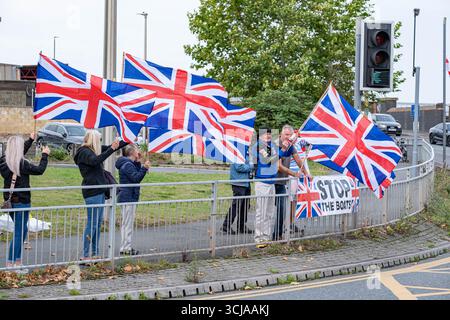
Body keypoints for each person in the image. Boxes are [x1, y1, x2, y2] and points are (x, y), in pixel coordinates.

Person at [74, 130, 127, 261]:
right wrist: (111, 149)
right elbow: (95, 161)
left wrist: (127, 139)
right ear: (93, 139)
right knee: (92, 224)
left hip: (99, 191)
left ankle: (95, 252)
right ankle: (85, 255)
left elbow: (111, 148)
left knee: (97, 224)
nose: (101, 142)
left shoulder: (94, 150)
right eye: (99, 139)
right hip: (92, 192)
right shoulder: (84, 152)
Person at [0, 133, 49, 272]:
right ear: (19, 149)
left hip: (10, 202)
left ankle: (16, 261)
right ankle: (12, 263)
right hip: (22, 201)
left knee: (22, 230)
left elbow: (18, 153)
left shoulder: (4, 162)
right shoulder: (22, 164)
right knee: (19, 232)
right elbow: (40, 170)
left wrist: (31, 140)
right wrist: (45, 155)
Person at [273, 125, 310, 241]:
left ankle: (277, 234)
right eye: (285, 135)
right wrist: (294, 174)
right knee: (268, 209)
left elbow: (299, 160)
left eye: (289, 135)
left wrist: (306, 173)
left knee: (281, 207)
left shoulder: (291, 146)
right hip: (270, 181)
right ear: (280, 134)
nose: (287, 137)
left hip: (282, 182)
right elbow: (278, 166)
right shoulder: (275, 144)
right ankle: (263, 236)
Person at [115, 144, 150, 256]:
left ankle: (125, 246)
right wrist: (144, 168)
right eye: (136, 150)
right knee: (127, 224)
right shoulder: (127, 165)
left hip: (128, 196)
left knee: (127, 223)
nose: (138, 151)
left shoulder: (129, 164)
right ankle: (126, 247)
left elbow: (136, 172)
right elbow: (136, 178)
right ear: (132, 152)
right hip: (127, 197)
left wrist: (139, 161)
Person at [250, 127, 279, 249]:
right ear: (260, 136)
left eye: (269, 135)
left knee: (269, 212)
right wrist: (280, 154)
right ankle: (259, 238)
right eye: (265, 135)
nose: (268, 137)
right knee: (261, 212)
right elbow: (268, 160)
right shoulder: (259, 146)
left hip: (272, 182)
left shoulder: (272, 145)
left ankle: (266, 237)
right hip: (262, 182)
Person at [221, 160, 254, 235]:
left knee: (245, 206)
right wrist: (252, 166)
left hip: (246, 183)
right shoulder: (237, 153)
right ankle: (226, 225)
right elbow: (239, 167)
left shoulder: (247, 152)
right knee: (236, 205)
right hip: (238, 183)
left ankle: (241, 227)